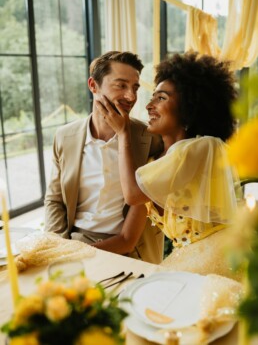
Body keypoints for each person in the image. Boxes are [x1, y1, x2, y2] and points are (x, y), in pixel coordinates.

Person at [96, 51, 241, 279]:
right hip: (186, 264)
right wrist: (76, 252)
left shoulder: (202, 148)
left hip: (218, 265)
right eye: (152, 97)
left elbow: (132, 195)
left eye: (161, 98)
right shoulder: (157, 162)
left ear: (189, 109)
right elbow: (127, 235)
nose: (148, 106)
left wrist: (123, 133)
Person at [44, 51, 164, 264]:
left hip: (134, 248)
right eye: (121, 85)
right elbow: (54, 200)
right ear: (93, 85)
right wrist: (61, 249)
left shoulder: (150, 138)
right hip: (75, 240)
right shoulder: (64, 137)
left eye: (135, 87)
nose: (131, 96)